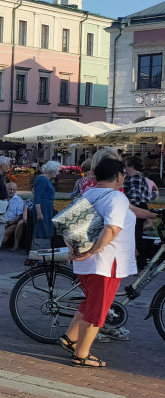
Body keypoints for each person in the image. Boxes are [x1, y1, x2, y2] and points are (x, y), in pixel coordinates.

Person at [60, 158, 137, 368]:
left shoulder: (89, 193)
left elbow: (69, 226)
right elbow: (111, 229)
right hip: (106, 261)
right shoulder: (116, 198)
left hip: (86, 263)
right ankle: (81, 354)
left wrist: (76, 252)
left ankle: (70, 339)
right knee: (98, 308)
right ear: (119, 176)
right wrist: (93, 251)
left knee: (90, 302)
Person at [124, 156, 154, 270]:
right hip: (140, 206)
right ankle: (140, 262)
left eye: (126, 166)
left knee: (135, 235)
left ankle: (140, 263)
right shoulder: (138, 177)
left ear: (131, 166)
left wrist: (125, 206)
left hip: (136, 207)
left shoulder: (135, 177)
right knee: (136, 235)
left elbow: (135, 197)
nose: (124, 168)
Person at [33, 161, 60, 244]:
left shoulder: (45, 179)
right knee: (42, 229)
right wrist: (39, 212)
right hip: (43, 208)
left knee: (46, 228)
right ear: (51, 171)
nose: (58, 173)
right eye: (57, 170)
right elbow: (37, 197)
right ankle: (39, 249)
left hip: (47, 207)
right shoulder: (42, 179)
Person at [2, 182, 28, 252]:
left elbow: (19, 216)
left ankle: (10, 245)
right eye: (10, 189)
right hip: (0, 221)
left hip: (12, 223)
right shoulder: (1, 198)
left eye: (14, 190)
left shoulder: (19, 201)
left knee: (5, 234)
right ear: (6, 189)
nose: (12, 191)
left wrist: (8, 224)